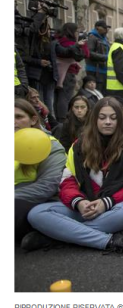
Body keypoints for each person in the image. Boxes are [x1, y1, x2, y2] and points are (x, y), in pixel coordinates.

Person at [24, 98, 123, 253]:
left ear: (121, 121)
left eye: (113, 118)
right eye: (102, 117)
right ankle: (110, 240)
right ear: (94, 120)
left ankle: (55, 236)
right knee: (36, 214)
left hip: (116, 205)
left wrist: (106, 203)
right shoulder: (79, 145)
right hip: (83, 206)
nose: (108, 122)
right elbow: (67, 179)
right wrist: (79, 202)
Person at [15, 98, 66, 243]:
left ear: (33, 120)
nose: (13, 122)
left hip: (34, 200)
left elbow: (48, 186)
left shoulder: (51, 145)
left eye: (19, 117)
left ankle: (48, 233)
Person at [54, 23, 89, 122]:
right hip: (68, 73)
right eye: (77, 31)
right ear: (72, 31)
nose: (78, 33)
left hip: (60, 73)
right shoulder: (69, 43)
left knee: (60, 97)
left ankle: (60, 118)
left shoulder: (59, 41)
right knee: (65, 97)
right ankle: (63, 119)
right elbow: (85, 54)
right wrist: (83, 44)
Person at [85, 20, 111, 94]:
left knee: (103, 92)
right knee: (96, 91)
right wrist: (106, 57)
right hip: (94, 70)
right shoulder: (92, 37)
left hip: (103, 69)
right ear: (97, 28)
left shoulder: (105, 39)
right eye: (104, 28)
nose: (106, 30)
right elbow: (89, 53)